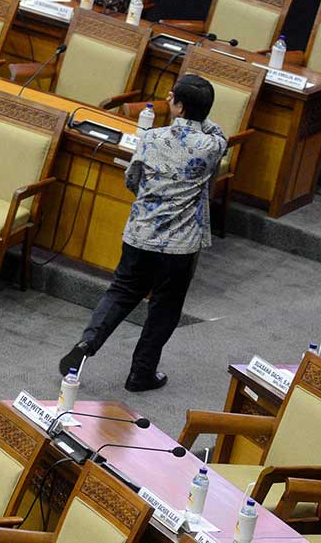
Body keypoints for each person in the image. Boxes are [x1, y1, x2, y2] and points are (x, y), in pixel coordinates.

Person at [59, 75, 227, 392]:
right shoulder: (212, 145)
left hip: (141, 234)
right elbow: (217, 131)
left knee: (121, 292)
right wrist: (198, 113)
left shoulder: (151, 138)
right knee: (164, 307)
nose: (167, 97)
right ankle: (141, 373)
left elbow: (132, 179)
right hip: (180, 245)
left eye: (172, 96)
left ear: (179, 106)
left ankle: (85, 346)